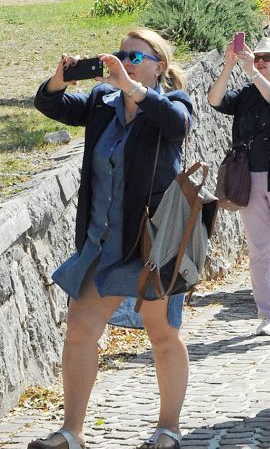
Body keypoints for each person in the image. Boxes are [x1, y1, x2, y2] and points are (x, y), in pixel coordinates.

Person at [30, 28, 191, 449]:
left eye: (135, 57)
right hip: (102, 243)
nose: (124, 62)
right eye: (121, 55)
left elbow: (177, 126)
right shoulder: (102, 104)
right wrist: (60, 78)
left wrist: (136, 88)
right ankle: (72, 432)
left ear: (159, 65)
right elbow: (51, 104)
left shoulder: (170, 103)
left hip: (150, 242)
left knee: (162, 335)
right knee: (80, 331)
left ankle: (168, 429)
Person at [208, 37, 270, 337]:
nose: (260, 61)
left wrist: (252, 73)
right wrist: (228, 66)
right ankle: (267, 314)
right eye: (257, 56)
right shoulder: (246, 93)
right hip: (250, 177)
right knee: (259, 250)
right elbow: (215, 100)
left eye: (267, 57)